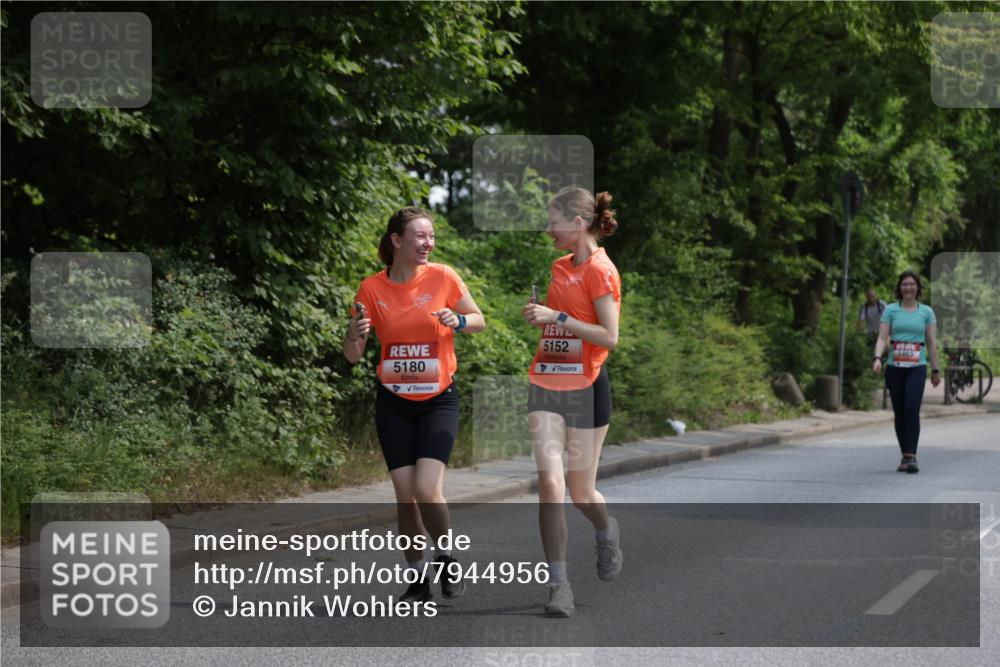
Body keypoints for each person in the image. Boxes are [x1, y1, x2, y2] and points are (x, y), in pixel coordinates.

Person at [343, 206, 485, 602]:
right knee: (405, 495)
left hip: (439, 399)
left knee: (426, 489)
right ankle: (419, 578)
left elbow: (478, 319)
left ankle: (446, 556)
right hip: (393, 402)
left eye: (432, 237)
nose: (429, 243)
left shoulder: (443, 276)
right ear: (397, 241)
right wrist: (353, 333)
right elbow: (353, 354)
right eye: (421, 236)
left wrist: (457, 322)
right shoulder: (371, 287)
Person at [522, 187, 622, 617]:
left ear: (578, 223)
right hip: (547, 380)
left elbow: (609, 337)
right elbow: (561, 325)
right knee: (550, 485)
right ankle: (558, 586)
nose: (549, 229)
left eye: (554, 221)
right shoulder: (559, 267)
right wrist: (541, 315)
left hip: (587, 386)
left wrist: (557, 317)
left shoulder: (602, 271)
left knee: (581, 494)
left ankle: (606, 527)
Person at [872, 271, 940, 474]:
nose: (908, 288)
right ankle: (905, 454)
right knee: (900, 412)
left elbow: (930, 342)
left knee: (911, 409)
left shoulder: (926, 312)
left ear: (918, 288)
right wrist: (877, 358)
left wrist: (935, 370)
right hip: (895, 368)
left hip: (916, 368)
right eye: (904, 284)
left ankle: (911, 455)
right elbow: (882, 337)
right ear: (899, 288)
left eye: (912, 284)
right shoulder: (891, 310)